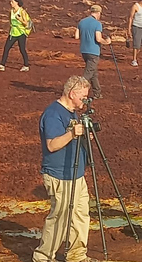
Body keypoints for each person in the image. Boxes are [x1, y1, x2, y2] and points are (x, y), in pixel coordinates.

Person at [32, 76, 97, 262]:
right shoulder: (53, 114)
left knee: (80, 215)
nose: (86, 100)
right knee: (60, 217)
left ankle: (76, 256)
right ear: (72, 93)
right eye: (83, 96)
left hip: (76, 174)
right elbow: (52, 145)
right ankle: (43, 257)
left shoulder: (73, 112)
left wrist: (84, 136)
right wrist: (72, 133)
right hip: (59, 175)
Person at [75, 5, 111, 99]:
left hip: (84, 51)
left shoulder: (81, 22)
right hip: (93, 51)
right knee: (87, 74)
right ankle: (77, 92)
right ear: (98, 13)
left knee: (93, 72)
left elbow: (76, 36)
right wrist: (106, 42)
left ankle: (97, 93)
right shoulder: (97, 24)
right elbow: (98, 39)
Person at [0, 0, 31, 72]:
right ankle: (2, 65)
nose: (10, 3)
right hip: (13, 33)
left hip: (21, 33)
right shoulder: (11, 11)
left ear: (17, 2)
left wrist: (20, 19)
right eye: (10, 1)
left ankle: (26, 65)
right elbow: (11, 22)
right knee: (6, 48)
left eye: (12, 1)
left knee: (22, 49)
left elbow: (26, 24)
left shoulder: (22, 11)